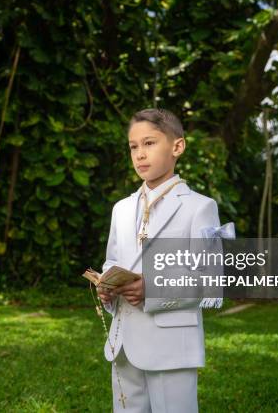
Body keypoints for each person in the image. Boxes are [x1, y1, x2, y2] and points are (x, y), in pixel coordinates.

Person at [97, 108, 224, 413]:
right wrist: (107, 286)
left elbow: (211, 281)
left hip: (171, 343)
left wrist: (152, 289)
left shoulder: (199, 208)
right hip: (123, 342)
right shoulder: (121, 209)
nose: (140, 154)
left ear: (177, 147)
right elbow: (113, 259)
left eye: (150, 143)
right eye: (133, 146)